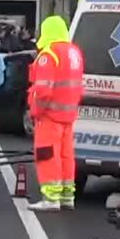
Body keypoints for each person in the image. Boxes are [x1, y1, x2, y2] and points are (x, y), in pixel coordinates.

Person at [27, 15, 84, 211]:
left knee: (47, 155)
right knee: (65, 155)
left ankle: (51, 199)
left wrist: (36, 111)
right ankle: (67, 196)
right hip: (68, 116)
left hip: (49, 116)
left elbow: (43, 90)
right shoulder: (74, 52)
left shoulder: (48, 55)